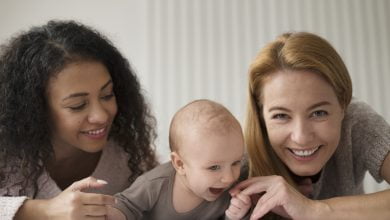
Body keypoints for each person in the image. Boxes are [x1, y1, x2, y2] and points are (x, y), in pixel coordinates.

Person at [0, 20, 158, 220]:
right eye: (78, 105)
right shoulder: (7, 151)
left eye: (107, 95)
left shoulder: (128, 156)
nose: (101, 116)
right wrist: (43, 211)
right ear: (35, 110)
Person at [228, 32, 390, 219]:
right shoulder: (237, 155)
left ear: (343, 106)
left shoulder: (357, 122)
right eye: (281, 115)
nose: (301, 137)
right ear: (260, 115)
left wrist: (315, 210)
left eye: (318, 113)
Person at [106, 99, 250, 220]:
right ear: (180, 164)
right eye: (214, 167)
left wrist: (234, 216)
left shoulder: (232, 189)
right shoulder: (155, 185)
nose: (229, 177)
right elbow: (125, 205)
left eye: (236, 162)